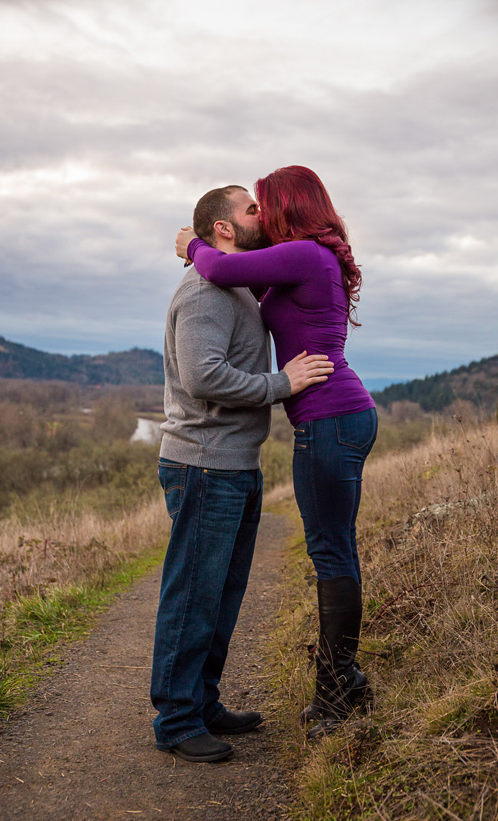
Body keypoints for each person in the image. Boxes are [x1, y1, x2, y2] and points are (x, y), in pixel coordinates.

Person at [176, 165, 377, 739]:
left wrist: (188, 242)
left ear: (288, 204)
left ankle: (337, 698)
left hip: (331, 420)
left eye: (264, 204)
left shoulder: (307, 256)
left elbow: (214, 264)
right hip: (337, 418)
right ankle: (348, 681)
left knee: (331, 556)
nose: (260, 215)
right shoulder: (306, 259)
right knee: (335, 552)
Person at [151, 184, 335, 762]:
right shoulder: (207, 290)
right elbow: (204, 377)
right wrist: (284, 384)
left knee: (222, 594)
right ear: (225, 228)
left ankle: (202, 702)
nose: (264, 214)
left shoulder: (232, 285)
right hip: (204, 464)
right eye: (251, 208)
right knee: (194, 595)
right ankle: (177, 720)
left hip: (234, 463)